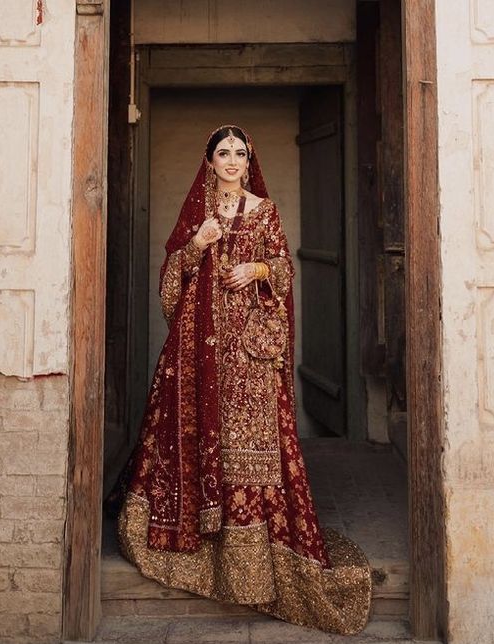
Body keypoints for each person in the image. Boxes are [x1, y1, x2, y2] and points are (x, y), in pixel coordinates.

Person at [117, 125, 371, 634]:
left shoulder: (264, 211)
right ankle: (200, 548)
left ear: (248, 160)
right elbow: (171, 281)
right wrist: (196, 244)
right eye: (222, 153)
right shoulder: (198, 214)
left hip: (249, 352)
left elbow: (283, 270)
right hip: (198, 350)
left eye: (239, 153)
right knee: (197, 435)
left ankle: (253, 563)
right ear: (208, 161)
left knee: (249, 447)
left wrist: (256, 270)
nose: (231, 160)